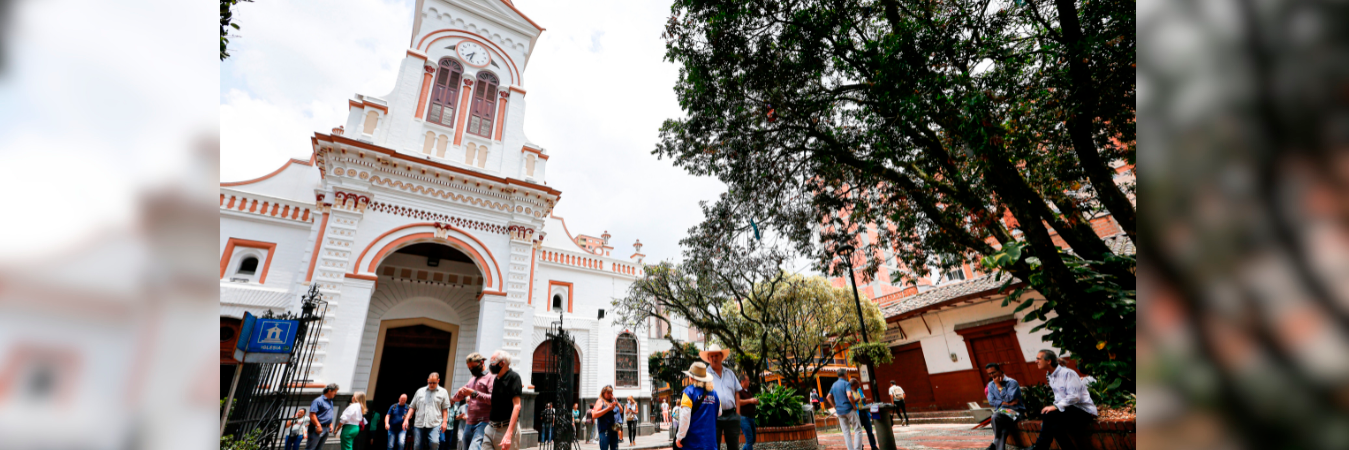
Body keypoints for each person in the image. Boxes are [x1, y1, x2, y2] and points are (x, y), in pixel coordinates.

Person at [1030, 350, 1097, 450]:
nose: (1036, 361)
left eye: (1038, 359)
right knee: (1055, 427)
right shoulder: (1051, 376)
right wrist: (1055, 406)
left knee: (1049, 414)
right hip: (1069, 411)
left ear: (1048, 361)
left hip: (1084, 411)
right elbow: (1059, 398)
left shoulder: (1068, 373)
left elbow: (1075, 396)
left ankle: (1040, 447)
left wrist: (1056, 407)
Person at [700, 344, 743, 450]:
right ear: (709, 358)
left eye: (716, 355)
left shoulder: (730, 373)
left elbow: (737, 392)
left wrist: (737, 414)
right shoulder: (704, 375)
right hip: (713, 416)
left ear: (721, 356)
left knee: (734, 447)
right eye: (712, 356)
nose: (714, 358)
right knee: (713, 446)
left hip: (731, 415)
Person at [451, 353, 494, 450]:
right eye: (469, 368)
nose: (471, 370)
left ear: (482, 362)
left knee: (474, 448)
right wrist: (460, 392)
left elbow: (493, 399)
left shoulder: (490, 378)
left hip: (484, 422)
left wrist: (474, 393)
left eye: (473, 367)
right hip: (469, 422)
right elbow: (456, 398)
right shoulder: (472, 379)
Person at [674, 362, 720, 450]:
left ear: (691, 378)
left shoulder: (688, 392)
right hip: (710, 443)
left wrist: (679, 437)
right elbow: (719, 412)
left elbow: (685, 418)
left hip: (693, 443)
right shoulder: (714, 393)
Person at [484, 350, 523, 450]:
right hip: (490, 428)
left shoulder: (514, 377)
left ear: (502, 363)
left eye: (493, 363)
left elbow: (517, 406)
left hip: (505, 429)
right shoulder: (496, 379)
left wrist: (509, 434)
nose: (490, 365)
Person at [405, 372, 452, 450]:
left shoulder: (443, 392)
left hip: (434, 424)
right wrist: (406, 419)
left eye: (434, 383)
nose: (432, 385)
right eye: (430, 382)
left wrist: (444, 422)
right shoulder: (420, 391)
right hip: (419, 424)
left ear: (438, 381)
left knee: (434, 443)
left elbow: (445, 409)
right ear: (427, 380)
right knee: (417, 446)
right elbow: (412, 406)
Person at [984, 363, 1025, 450]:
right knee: (1003, 431)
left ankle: (995, 442)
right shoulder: (991, 385)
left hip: (1016, 412)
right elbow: (991, 401)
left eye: (993, 372)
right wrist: (1006, 404)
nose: (992, 375)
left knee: (995, 416)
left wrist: (998, 385)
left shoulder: (1012, 382)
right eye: (989, 374)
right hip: (1003, 413)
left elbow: (1008, 398)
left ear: (999, 371)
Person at [826, 369, 863, 450]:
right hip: (848, 409)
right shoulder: (846, 384)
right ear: (845, 374)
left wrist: (834, 406)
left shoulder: (834, 384)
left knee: (846, 433)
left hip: (839, 411)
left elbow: (828, 397)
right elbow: (849, 395)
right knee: (858, 429)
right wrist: (854, 405)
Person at [308, 384, 340, 450]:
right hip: (317, 428)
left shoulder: (330, 401)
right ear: (329, 391)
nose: (336, 393)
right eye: (335, 391)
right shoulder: (318, 401)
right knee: (311, 448)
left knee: (319, 448)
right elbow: (312, 415)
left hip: (326, 428)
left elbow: (328, 414)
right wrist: (318, 425)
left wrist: (330, 424)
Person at [849, 378, 877, 450]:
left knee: (869, 430)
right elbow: (849, 403)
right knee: (858, 431)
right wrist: (855, 400)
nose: (859, 385)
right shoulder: (849, 392)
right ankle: (860, 446)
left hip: (864, 412)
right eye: (858, 383)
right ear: (855, 384)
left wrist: (865, 399)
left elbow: (864, 398)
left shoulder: (859, 390)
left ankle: (873, 446)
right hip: (857, 413)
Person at [591, 386, 622, 450]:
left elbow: (621, 411)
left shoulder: (612, 402)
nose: (610, 395)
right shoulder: (600, 401)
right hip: (605, 429)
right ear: (603, 393)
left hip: (614, 429)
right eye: (608, 393)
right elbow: (594, 415)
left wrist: (616, 402)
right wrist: (608, 409)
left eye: (611, 393)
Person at [737, 376, 759, 450]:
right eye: (748, 380)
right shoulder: (738, 390)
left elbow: (750, 400)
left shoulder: (748, 390)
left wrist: (755, 401)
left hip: (751, 417)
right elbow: (738, 402)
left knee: (753, 440)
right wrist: (750, 401)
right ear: (742, 381)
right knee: (749, 439)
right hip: (743, 417)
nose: (749, 382)